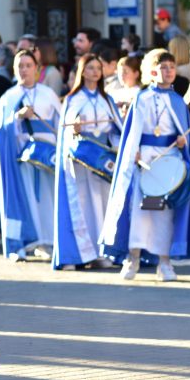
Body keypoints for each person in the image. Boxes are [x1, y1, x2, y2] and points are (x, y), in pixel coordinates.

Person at [100, 51, 190, 281]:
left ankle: (164, 262)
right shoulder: (142, 98)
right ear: (153, 71)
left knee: (164, 214)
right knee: (140, 210)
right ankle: (132, 258)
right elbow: (133, 130)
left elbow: (183, 132)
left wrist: (183, 142)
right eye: (163, 67)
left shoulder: (178, 101)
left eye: (172, 67)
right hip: (144, 159)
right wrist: (133, 152)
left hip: (168, 160)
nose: (169, 71)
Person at [54, 53, 123, 270]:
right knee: (81, 206)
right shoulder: (72, 100)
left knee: (102, 205)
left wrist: (116, 146)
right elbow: (65, 133)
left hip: (102, 160)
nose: (95, 72)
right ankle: (79, 255)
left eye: (98, 68)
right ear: (82, 71)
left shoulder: (107, 100)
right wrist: (75, 131)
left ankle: (101, 252)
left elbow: (116, 130)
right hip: (81, 161)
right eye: (91, 68)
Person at [0, 49, 61, 261]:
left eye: (28, 65)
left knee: (48, 200)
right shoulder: (8, 97)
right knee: (25, 199)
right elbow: (2, 130)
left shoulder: (48, 94)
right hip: (21, 158)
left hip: (47, 156)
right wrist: (17, 117)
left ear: (37, 68)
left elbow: (59, 124)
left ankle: (46, 241)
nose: (24, 70)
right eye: (20, 66)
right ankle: (20, 245)